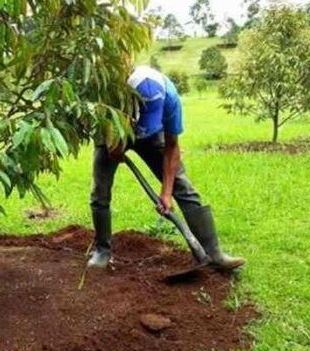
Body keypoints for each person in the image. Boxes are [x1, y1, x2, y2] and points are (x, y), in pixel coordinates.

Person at [87, 65, 246, 270]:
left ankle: (214, 254)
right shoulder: (115, 95)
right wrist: (113, 146)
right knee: (100, 189)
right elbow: (101, 125)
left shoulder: (170, 98)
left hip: (153, 136)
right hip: (116, 130)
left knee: (182, 186)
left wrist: (166, 192)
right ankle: (102, 251)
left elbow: (172, 146)